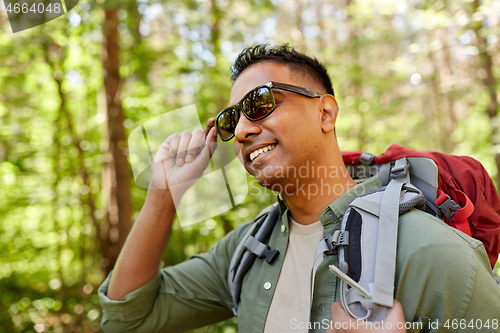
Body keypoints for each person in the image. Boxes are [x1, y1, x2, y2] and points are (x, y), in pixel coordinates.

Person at [98, 44, 500, 333]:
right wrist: (163, 195)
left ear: (325, 112)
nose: (240, 130)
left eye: (260, 103)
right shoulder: (247, 249)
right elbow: (127, 318)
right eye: (230, 120)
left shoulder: (432, 254)